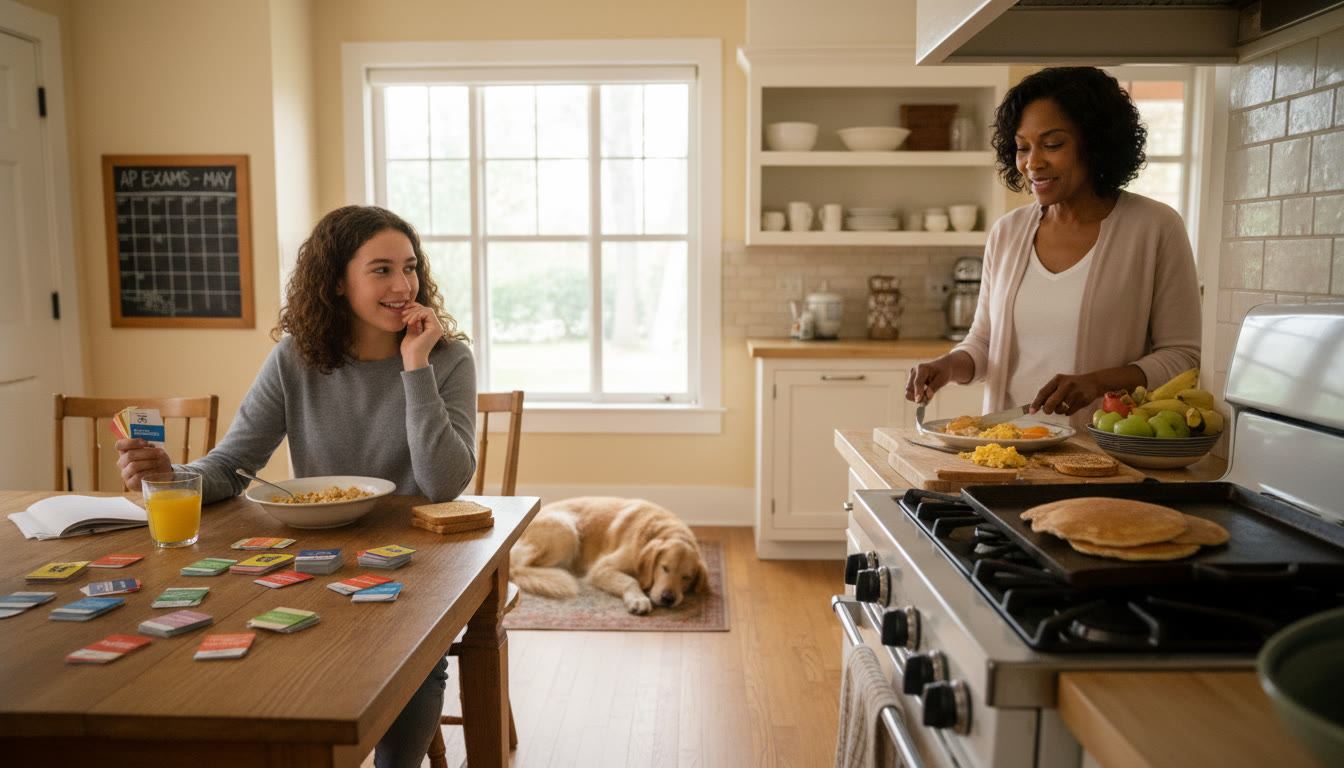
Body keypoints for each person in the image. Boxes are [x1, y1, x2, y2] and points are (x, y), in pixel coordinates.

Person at [115, 205, 477, 768]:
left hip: (417, 552)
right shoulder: (295, 358)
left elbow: (443, 484)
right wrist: (172, 477)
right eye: (381, 270)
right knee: (260, 634)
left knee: (416, 655)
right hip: (318, 548)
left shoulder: (447, 359)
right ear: (337, 282)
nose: (403, 285)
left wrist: (415, 368)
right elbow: (236, 464)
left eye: (409, 267)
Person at [905, 66, 1200, 430]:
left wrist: (1098, 382)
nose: (1033, 163)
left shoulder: (1155, 227)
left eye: (1053, 144)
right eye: (1022, 148)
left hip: (1102, 454)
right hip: (1005, 448)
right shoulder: (1007, 233)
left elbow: (1183, 357)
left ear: (1095, 142)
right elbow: (983, 341)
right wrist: (947, 366)